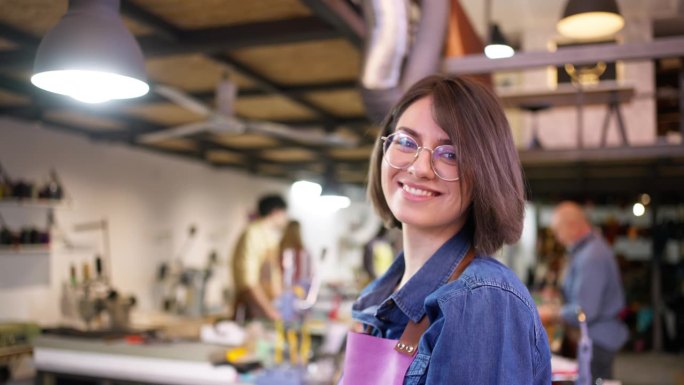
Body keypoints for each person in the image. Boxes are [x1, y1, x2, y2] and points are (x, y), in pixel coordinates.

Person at [341, 75, 551, 385]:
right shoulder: (387, 294)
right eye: (406, 141)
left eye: (450, 154)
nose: (420, 168)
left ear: (484, 172)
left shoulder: (481, 299)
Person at [540, 201, 628, 383]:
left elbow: (585, 310)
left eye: (558, 230)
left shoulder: (592, 255)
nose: (557, 237)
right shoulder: (588, 249)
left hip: (597, 341)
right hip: (597, 339)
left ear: (572, 226)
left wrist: (551, 313)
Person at [231, 194, 288, 321]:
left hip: (266, 308)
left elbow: (271, 276)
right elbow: (248, 281)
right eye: (284, 213)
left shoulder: (271, 238)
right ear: (276, 212)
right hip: (252, 310)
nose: (286, 218)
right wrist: (269, 311)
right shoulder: (253, 234)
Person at [279, 220, 312, 289]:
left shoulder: (282, 250)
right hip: (302, 285)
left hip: (286, 285)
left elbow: (285, 272)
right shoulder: (305, 251)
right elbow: (310, 272)